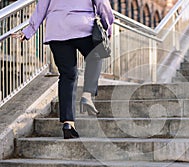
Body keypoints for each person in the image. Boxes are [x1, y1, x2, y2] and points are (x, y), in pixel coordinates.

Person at [11, 0, 114, 139]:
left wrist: (29, 31)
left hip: (56, 30)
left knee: (68, 75)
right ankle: (87, 95)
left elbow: (41, 7)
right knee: (95, 56)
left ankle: (68, 123)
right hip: (82, 26)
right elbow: (102, 4)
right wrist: (108, 27)